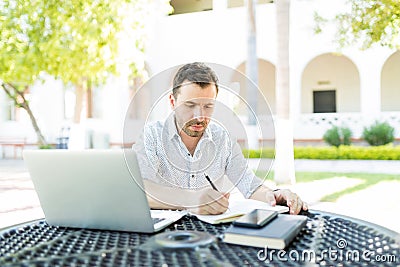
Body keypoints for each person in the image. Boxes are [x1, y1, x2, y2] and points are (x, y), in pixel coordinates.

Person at [134, 62, 308, 215]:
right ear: (172, 102)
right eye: (190, 105)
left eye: (208, 106)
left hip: (211, 236)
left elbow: (248, 184)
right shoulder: (151, 136)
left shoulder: (222, 138)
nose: (200, 116)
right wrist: (191, 200)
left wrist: (274, 195)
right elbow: (138, 191)